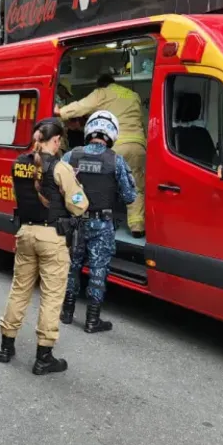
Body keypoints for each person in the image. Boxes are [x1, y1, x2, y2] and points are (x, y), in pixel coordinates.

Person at [0, 118, 89, 376]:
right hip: (51, 238)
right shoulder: (60, 168)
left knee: (19, 290)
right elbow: (79, 205)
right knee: (51, 296)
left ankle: (6, 346)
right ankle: (44, 357)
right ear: (57, 141)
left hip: (25, 233)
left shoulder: (18, 164)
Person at [60, 111, 137, 332]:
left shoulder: (71, 156)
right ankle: (92, 320)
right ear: (111, 133)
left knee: (72, 267)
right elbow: (130, 196)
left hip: (75, 222)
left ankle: (67, 313)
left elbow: (58, 186)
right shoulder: (116, 160)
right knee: (98, 270)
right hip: (102, 224)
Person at [56, 74, 147, 238]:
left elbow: (81, 106)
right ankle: (137, 226)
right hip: (137, 144)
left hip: (117, 145)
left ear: (101, 85)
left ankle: (106, 222)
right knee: (136, 185)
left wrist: (60, 112)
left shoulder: (102, 93)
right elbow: (142, 120)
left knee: (106, 184)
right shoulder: (133, 95)